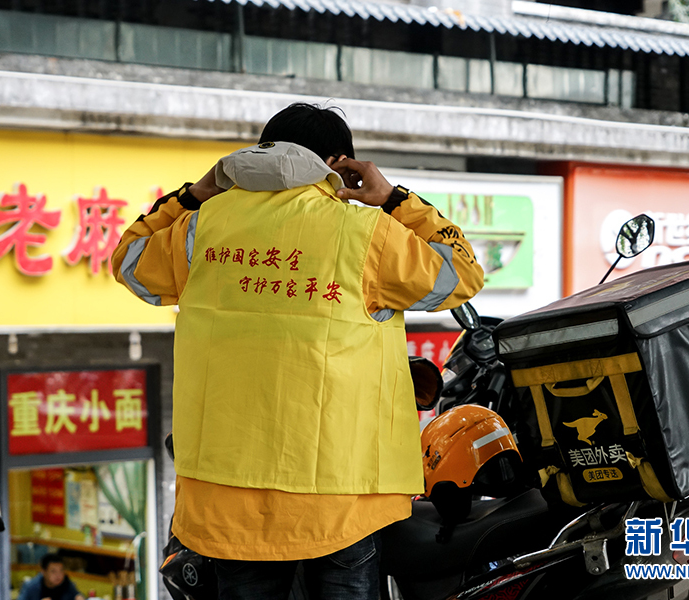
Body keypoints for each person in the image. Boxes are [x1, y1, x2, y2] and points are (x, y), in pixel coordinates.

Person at [112, 103, 485, 599]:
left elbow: (128, 260)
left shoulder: (201, 228)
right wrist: (394, 198)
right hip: (340, 501)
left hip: (227, 502)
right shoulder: (366, 233)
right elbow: (462, 273)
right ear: (340, 165)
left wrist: (192, 195)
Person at [16, 553, 84, 600]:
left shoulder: (66, 583)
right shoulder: (30, 586)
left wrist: (79, 596)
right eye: (53, 571)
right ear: (43, 572)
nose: (58, 575)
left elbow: (76, 595)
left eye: (61, 570)